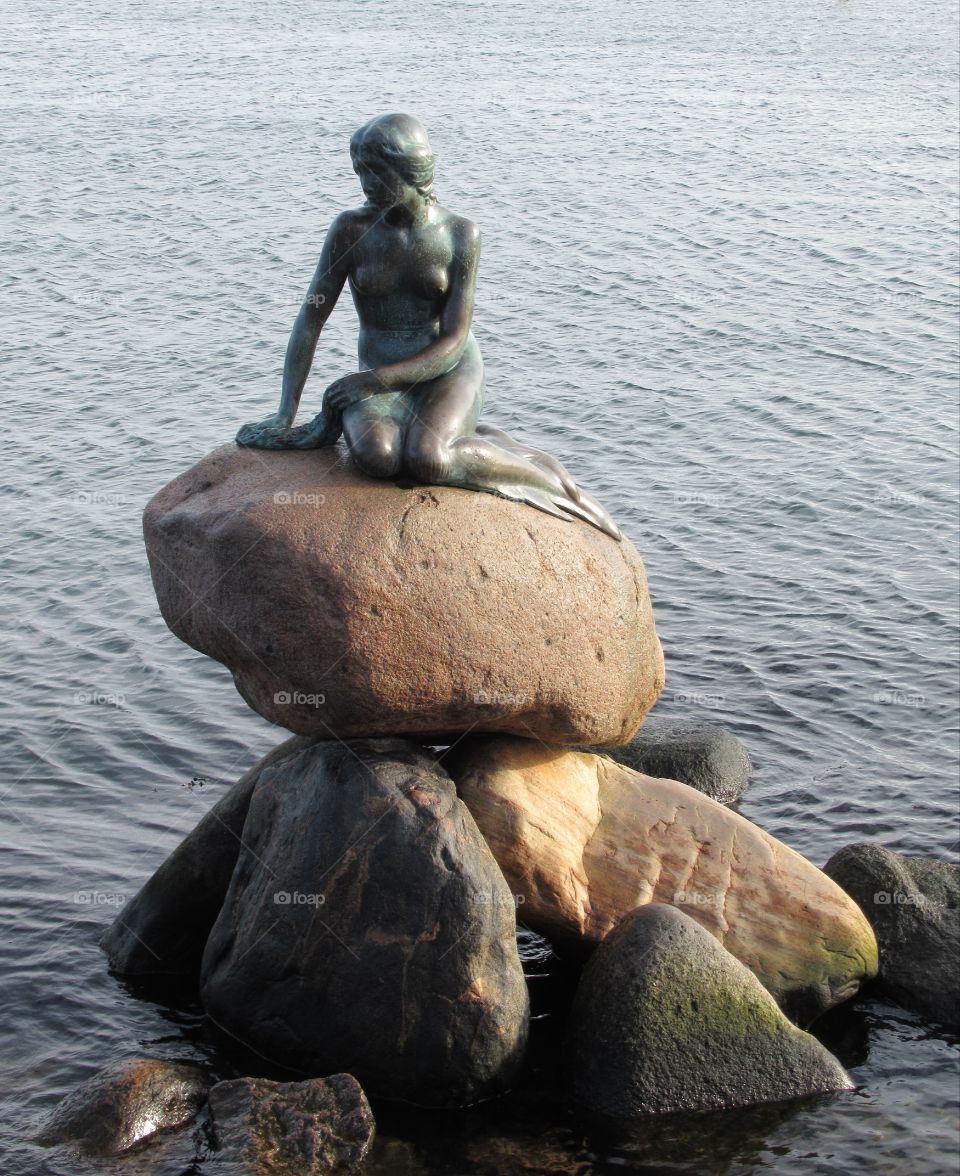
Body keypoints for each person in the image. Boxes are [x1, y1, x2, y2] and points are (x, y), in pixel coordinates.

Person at [237, 113, 620, 540]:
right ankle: (471, 438)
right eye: (360, 171)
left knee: (429, 459)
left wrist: (374, 380)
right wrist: (285, 413)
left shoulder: (460, 235)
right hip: (381, 375)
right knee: (377, 458)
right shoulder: (350, 230)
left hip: (448, 369)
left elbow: (454, 340)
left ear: (413, 171)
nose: (366, 184)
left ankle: (547, 478)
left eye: (377, 173)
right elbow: (311, 317)